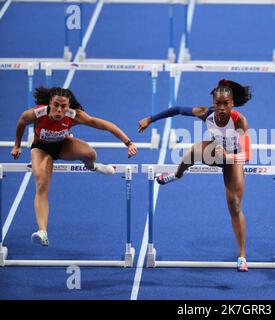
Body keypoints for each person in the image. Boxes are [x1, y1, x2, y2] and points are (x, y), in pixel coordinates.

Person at [138, 79, 252, 272]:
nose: (222, 108)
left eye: (226, 103)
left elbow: (247, 155)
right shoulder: (206, 113)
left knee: (235, 205)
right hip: (215, 152)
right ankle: (177, 174)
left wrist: (230, 156)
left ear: (232, 103)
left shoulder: (239, 120)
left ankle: (242, 255)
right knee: (193, 151)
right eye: (218, 104)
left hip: (233, 159)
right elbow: (177, 109)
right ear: (213, 104)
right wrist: (150, 119)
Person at [11, 86, 138, 246]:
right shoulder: (36, 113)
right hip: (41, 149)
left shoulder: (74, 115)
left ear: (68, 105)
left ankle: (94, 167)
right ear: (50, 102)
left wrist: (128, 143)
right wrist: (17, 145)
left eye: (63, 106)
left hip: (64, 145)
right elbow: (22, 122)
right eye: (56, 104)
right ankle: (42, 231)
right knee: (41, 184)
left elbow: (105, 125)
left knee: (90, 153)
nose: (59, 109)